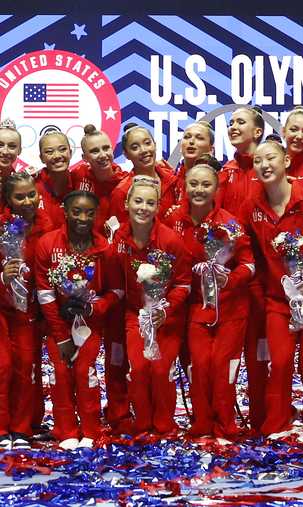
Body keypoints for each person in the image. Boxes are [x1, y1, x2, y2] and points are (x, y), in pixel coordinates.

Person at [240, 136, 303, 440]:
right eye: (257, 161)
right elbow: (249, 255)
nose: (263, 164)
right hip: (278, 302)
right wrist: (262, 293)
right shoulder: (251, 205)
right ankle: (279, 423)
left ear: (285, 161)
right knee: (280, 363)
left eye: (270, 158)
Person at [165, 158, 254, 441]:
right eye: (193, 184)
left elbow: (249, 265)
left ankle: (225, 423)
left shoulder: (230, 223)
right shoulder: (172, 220)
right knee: (200, 365)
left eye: (206, 184)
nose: (199, 189)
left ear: (216, 188)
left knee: (223, 365)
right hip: (194, 308)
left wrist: (231, 279)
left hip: (230, 307)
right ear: (184, 186)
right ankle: (202, 422)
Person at [34, 190, 123, 449]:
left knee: (86, 373)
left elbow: (116, 291)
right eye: (76, 211)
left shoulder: (104, 249)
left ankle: (92, 429)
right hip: (57, 325)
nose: (83, 218)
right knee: (60, 374)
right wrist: (61, 336)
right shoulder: (47, 244)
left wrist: (94, 309)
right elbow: (45, 293)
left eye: (89, 213)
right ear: (65, 211)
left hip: (90, 326)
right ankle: (65, 429)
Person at [111, 177, 191, 435]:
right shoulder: (119, 238)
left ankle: (164, 423)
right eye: (138, 201)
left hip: (166, 318)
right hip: (134, 315)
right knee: (139, 368)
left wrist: (165, 310)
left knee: (160, 369)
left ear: (158, 208)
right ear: (126, 203)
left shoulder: (170, 240)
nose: (143, 207)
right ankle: (143, 423)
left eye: (150, 203)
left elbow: (183, 284)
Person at [68, 124, 131, 432]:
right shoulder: (76, 178)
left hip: (118, 277)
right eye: (95, 151)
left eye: (106, 148)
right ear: (84, 156)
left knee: (117, 350)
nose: (103, 155)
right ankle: (84, 416)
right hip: (84, 279)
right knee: (85, 351)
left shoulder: (125, 181)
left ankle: (119, 413)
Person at [218, 106, 268, 433]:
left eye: (240, 122)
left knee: (260, 353)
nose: (233, 126)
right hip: (234, 278)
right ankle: (228, 417)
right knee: (230, 353)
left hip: (268, 278)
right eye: (231, 122)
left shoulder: (269, 169)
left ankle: (263, 417)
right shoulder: (225, 173)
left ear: (259, 131)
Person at [0, 172, 56, 449]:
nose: (27, 201)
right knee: (3, 365)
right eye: (19, 197)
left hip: (29, 312)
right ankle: (1, 427)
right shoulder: (2, 228)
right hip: (1, 309)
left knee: (25, 367)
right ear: (8, 200)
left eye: (31, 194)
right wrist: (3, 277)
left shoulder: (49, 228)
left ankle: (21, 428)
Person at [108, 124, 179, 224]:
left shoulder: (172, 179)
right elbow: (117, 235)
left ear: (155, 144)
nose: (144, 150)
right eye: (135, 147)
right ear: (126, 154)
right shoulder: (121, 192)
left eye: (147, 143)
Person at [34, 129, 75, 228]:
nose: (57, 156)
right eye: (49, 152)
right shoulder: (31, 185)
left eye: (62, 149)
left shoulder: (80, 182)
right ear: (41, 158)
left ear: (70, 152)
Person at [174, 121, 216, 203]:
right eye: (187, 137)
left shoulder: (220, 180)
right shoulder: (171, 180)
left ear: (211, 149)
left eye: (199, 138)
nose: (191, 141)